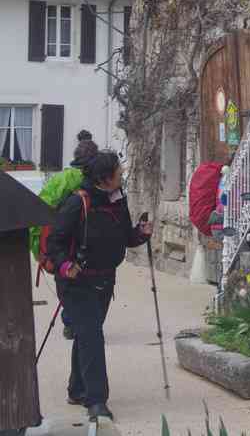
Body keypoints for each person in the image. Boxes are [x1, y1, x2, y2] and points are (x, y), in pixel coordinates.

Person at [48, 150, 152, 422]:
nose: (122, 175)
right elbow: (54, 243)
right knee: (92, 335)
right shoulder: (77, 203)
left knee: (86, 333)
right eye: (119, 172)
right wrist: (64, 266)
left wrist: (141, 233)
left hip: (105, 281)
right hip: (76, 282)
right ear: (105, 179)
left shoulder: (117, 200)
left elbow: (126, 237)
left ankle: (77, 389)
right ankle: (96, 401)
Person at [30, 130, 100, 339]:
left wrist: (40, 251)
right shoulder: (89, 182)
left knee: (67, 282)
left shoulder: (59, 180)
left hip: (56, 246)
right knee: (79, 284)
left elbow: (39, 214)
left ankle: (70, 321)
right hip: (78, 242)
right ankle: (74, 323)